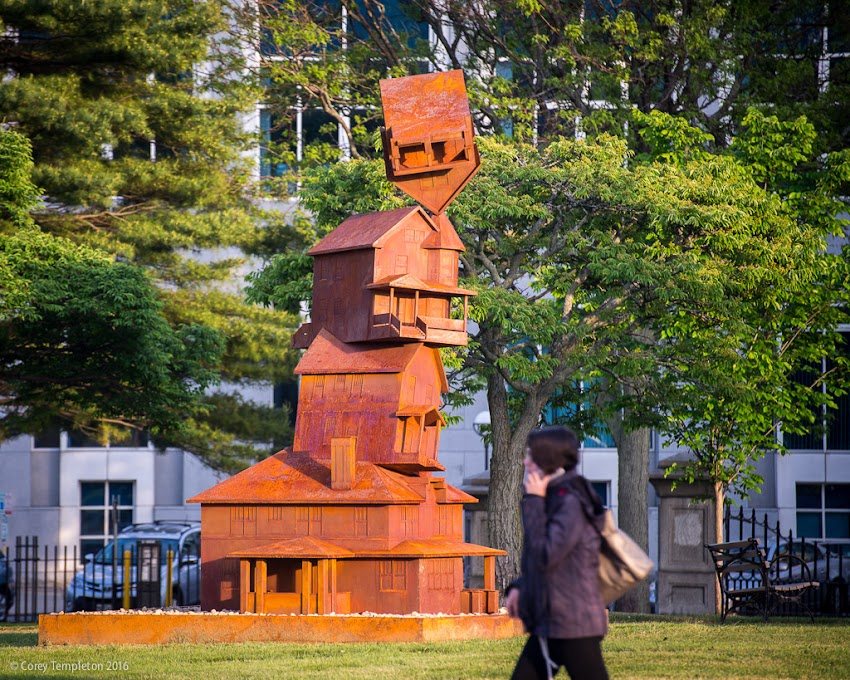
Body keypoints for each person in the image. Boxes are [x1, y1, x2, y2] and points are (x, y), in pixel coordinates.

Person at [505, 426, 609, 680]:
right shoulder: (553, 496)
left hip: (574, 623)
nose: (525, 461)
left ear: (548, 460)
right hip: (552, 620)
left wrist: (533, 502)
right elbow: (546, 559)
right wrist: (520, 586)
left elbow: (546, 556)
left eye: (531, 455)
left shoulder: (569, 501)